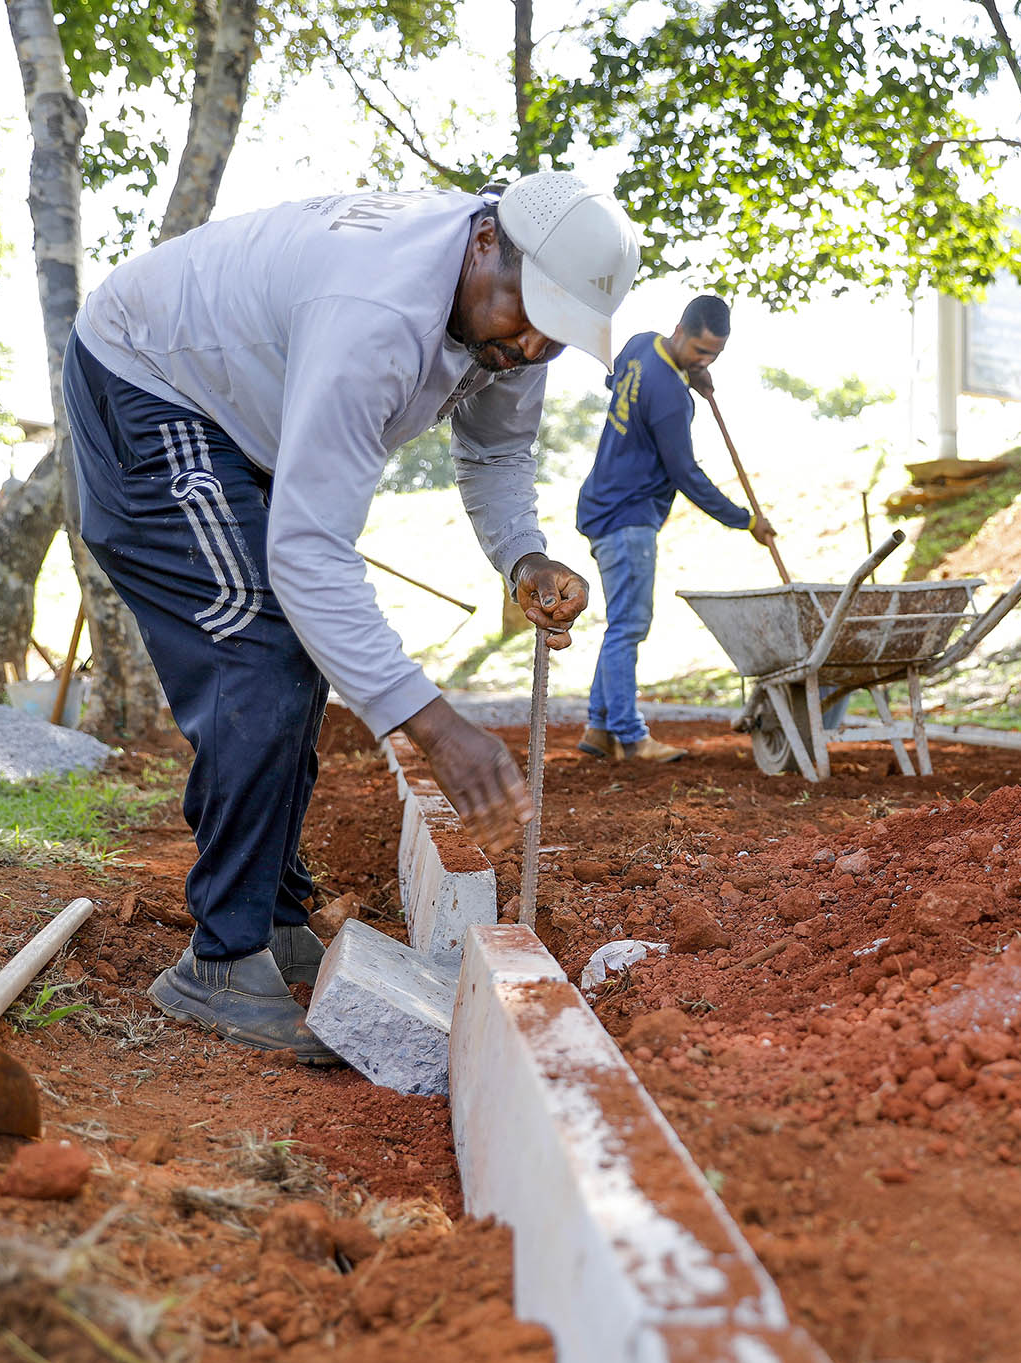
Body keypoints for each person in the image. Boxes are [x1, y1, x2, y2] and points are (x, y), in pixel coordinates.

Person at [62, 171, 639, 1061]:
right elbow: (308, 553)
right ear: (486, 242)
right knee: (257, 641)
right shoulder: (377, 313)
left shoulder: (515, 330)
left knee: (292, 640)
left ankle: (278, 914)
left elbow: (495, 453)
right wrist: (436, 729)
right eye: (523, 314)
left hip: (241, 418)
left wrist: (524, 555)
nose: (526, 346)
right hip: (149, 376)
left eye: (553, 336)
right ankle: (217, 963)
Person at [574, 296, 775, 762]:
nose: (705, 362)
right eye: (700, 352)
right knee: (628, 627)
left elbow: (617, 380)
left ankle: (599, 729)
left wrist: (687, 373)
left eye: (714, 357)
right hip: (628, 517)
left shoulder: (640, 344)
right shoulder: (671, 399)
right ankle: (630, 734)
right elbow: (686, 475)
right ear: (681, 329)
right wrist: (745, 520)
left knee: (621, 624)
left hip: (603, 504)